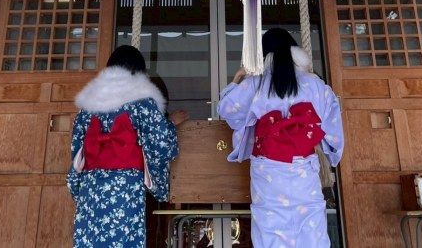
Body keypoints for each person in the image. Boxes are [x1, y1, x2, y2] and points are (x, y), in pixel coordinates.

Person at [218, 28, 344, 248]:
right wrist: (332, 152)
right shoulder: (314, 84)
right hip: (303, 166)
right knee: (310, 223)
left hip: (268, 170)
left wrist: (237, 79)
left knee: (270, 225)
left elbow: (228, 109)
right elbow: (331, 118)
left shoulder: (256, 83)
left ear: (263, 55)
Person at [67, 45, 188, 247]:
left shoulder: (88, 106)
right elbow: (161, 144)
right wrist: (171, 124)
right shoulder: (141, 101)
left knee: (90, 237)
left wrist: (76, 184)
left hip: (91, 183)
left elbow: (77, 149)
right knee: (123, 236)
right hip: (124, 183)